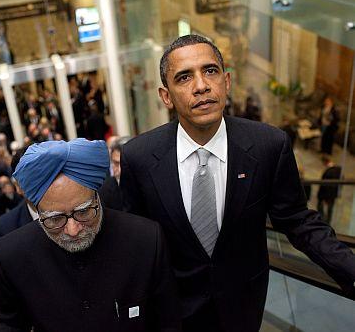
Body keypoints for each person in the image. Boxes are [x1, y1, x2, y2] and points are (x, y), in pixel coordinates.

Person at [120, 35, 355, 332]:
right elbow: (135, 242)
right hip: (172, 311)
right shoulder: (138, 158)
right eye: (184, 77)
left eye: (210, 71)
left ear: (227, 82)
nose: (201, 86)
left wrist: (350, 269)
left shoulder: (269, 146)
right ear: (166, 96)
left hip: (243, 306)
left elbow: (298, 221)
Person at [0, 138, 181, 332]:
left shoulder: (145, 239)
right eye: (56, 219)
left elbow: (168, 322)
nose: (73, 230)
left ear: (97, 197)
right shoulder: (11, 254)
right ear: (37, 211)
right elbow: (7, 325)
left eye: (83, 212)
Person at [317, 155, 342, 224]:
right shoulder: (339, 170)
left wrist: (324, 197)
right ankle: (328, 221)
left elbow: (325, 186)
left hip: (326, 195)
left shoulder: (328, 172)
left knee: (320, 206)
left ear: (325, 162)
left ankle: (322, 221)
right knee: (330, 209)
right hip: (334, 194)